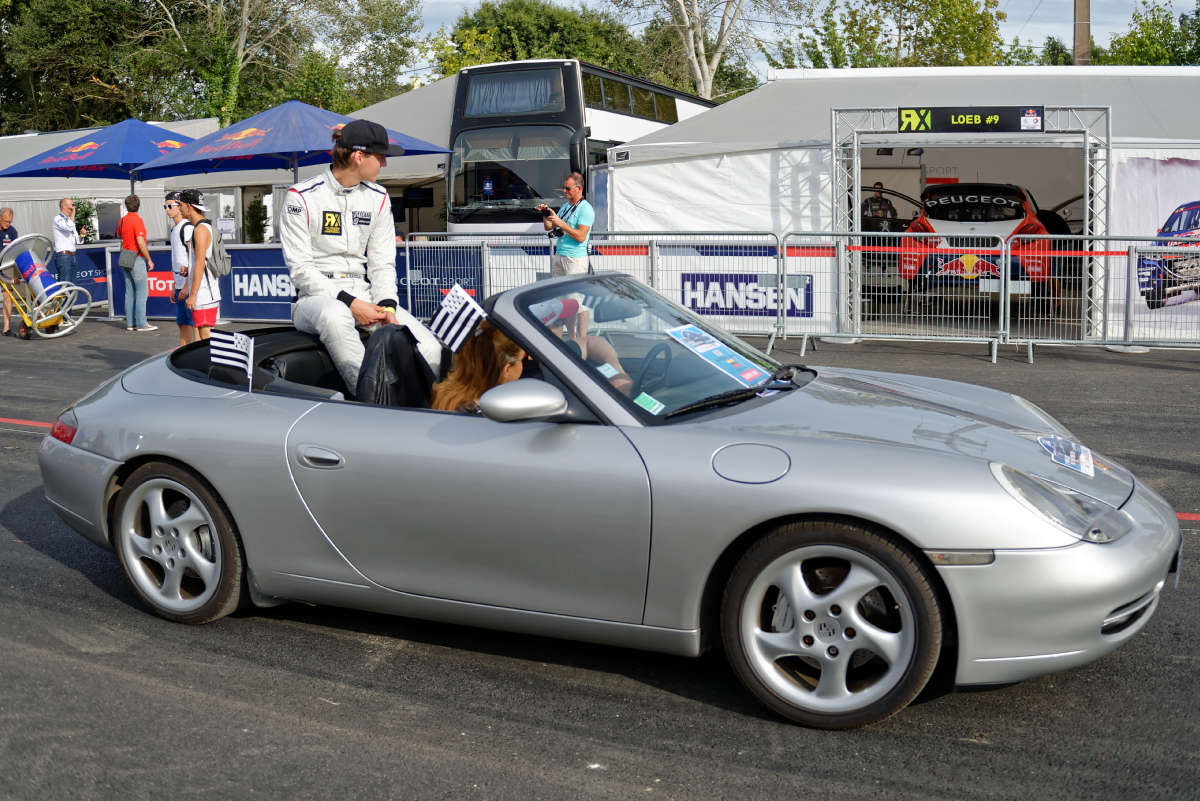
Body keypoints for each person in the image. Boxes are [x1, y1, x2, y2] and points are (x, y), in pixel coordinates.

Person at [282, 118, 441, 390]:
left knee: (430, 348)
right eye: (381, 157)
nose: (385, 164)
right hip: (314, 298)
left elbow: (382, 263)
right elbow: (301, 270)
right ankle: (371, 404)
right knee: (336, 316)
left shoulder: (378, 196)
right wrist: (351, 303)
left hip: (366, 294)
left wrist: (388, 306)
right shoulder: (301, 196)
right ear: (359, 156)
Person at [431, 321, 525, 413]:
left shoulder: (446, 394)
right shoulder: (483, 414)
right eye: (521, 359)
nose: (522, 364)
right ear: (507, 369)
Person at [178, 190, 220, 340]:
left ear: (189, 206)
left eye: (180, 205)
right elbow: (199, 261)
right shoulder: (203, 227)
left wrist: (193, 294)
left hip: (204, 292)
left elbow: (200, 263)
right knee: (204, 335)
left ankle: (211, 363)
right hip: (205, 290)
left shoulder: (200, 230)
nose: (179, 209)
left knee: (206, 336)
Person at [536, 172, 593, 276]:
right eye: (564, 188)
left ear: (579, 189)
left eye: (568, 188)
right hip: (559, 255)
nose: (564, 191)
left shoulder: (586, 209)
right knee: (559, 291)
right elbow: (548, 227)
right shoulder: (565, 206)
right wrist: (545, 213)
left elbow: (581, 237)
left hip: (575, 260)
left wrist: (561, 224)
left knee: (574, 292)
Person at [115, 194, 156, 332]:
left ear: (126, 205)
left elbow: (118, 234)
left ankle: (130, 324)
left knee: (130, 292)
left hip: (124, 257)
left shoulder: (122, 220)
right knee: (142, 292)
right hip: (136, 258)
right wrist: (149, 259)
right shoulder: (137, 220)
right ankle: (141, 323)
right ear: (138, 205)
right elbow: (140, 241)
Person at [164, 192, 194, 347]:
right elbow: (178, 260)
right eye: (165, 206)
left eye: (170, 206)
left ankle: (192, 352)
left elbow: (193, 258)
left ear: (180, 206)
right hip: (180, 284)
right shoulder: (174, 230)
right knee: (182, 322)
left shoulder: (187, 228)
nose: (167, 209)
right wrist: (175, 286)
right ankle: (184, 349)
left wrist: (187, 286)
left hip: (188, 285)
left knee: (193, 323)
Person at [52, 197, 86, 285]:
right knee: (65, 285)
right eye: (72, 205)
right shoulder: (57, 219)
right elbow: (67, 227)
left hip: (72, 256)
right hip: (64, 256)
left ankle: (71, 299)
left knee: (73, 285)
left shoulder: (70, 221)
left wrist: (82, 235)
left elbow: (78, 241)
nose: (73, 208)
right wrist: (73, 215)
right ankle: (64, 299)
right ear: (64, 206)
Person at [0, 208, 18, 336]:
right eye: (6, 221)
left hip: (5, 268)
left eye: (10, 221)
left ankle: (6, 328)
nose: (8, 224)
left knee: (7, 295)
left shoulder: (12, 231)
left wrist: (14, 273)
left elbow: (15, 251)